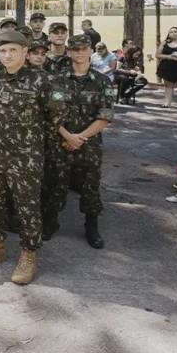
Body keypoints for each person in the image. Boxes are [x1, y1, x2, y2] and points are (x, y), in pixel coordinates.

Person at [0, 30, 65, 285]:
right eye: (2, 51)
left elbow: (56, 116)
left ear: (25, 51)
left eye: (13, 50)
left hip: (26, 157)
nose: (7, 55)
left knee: (27, 206)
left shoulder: (45, 81)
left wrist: (33, 142)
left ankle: (28, 254)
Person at [43, 35, 114, 248]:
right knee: (56, 182)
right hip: (60, 141)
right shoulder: (58, 79)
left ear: (91, 50)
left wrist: (79, 138)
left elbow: (105, 117)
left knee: (90, 186)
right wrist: (67, 136)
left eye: (83, 49)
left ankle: (91, 226)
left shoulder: (103, 82)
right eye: (75, 49)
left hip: (89, 145)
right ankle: (51, 222)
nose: (79, 53)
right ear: (69, 52)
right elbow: (52, 113)